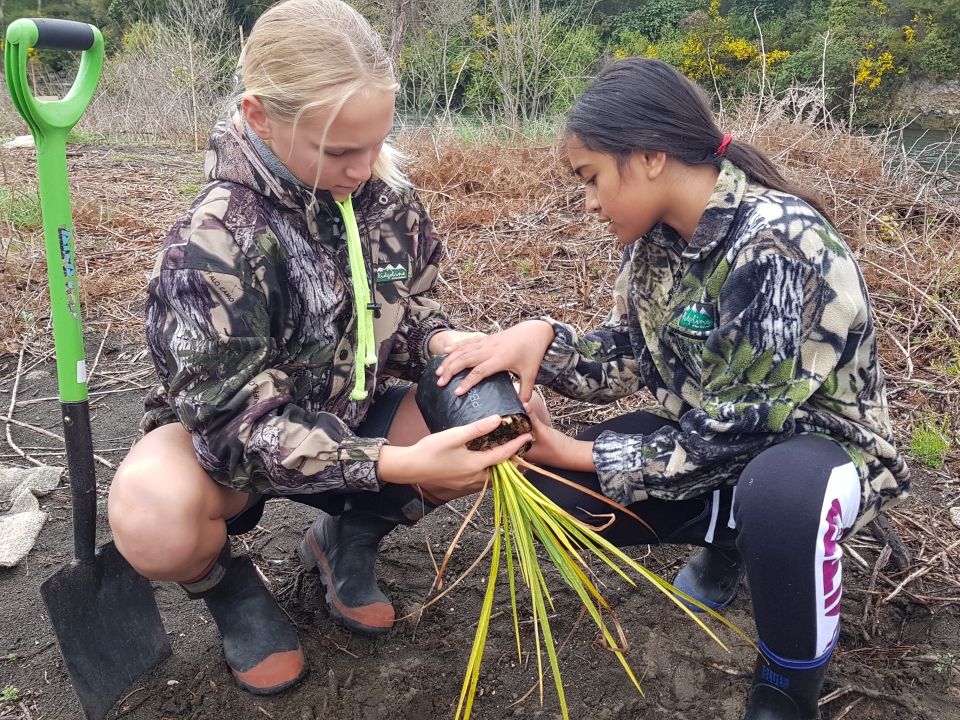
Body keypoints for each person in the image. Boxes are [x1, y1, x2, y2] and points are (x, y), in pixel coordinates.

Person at [435, 57, 910, 720]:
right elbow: (627, 357)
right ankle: (733, 537)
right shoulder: (656, 242)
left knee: (778, 495)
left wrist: (569, 447)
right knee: (557, 493)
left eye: (591, 177)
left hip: (819, 454)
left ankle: (788, 680)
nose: (590, 202)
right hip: (709, 441)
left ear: (651, 156)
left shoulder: (777, 242)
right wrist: (541, 341)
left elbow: (742, 432)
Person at [107, 0, 534, 697]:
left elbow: (411, 310)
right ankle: (229, 591)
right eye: (339, 151)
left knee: (498, 419)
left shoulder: (387, 198)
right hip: (238, 455)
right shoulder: (212, 241)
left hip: (354, 412)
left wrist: (443, 339)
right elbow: (231, 430)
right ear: (258, 116)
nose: (364, 169)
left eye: (376, 144)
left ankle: (347, 541)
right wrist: (394, 461)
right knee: (151, 514)